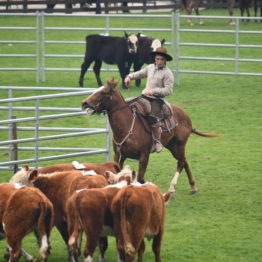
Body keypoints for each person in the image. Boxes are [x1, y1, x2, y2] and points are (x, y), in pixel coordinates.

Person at [124, 47, 174, 153]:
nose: (159, 61)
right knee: (126, 104)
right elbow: (140, 73)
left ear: (165, 60)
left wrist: (155, 91)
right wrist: (129, 77)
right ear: (155, 59)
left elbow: (168, 90)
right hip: (144, 96)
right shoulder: (150, 67)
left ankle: (157, 141)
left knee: (153, 117)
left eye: (161, 59)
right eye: (157, 59)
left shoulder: (168, 73)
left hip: (157, 100)